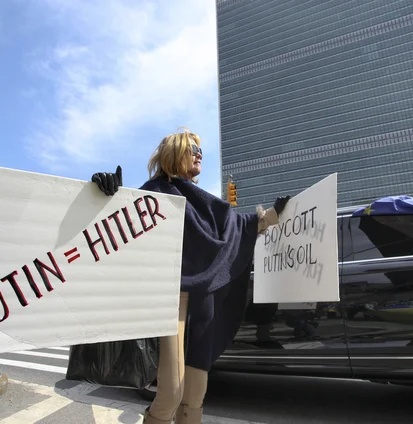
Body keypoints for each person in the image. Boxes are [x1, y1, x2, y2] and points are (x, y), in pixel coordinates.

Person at [91, 127, 290, 424]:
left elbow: (238, 226)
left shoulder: (204, 200)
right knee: (171, 391)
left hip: (204, 300)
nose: (199, 155)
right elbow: (121, 228)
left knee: (196, 393)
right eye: (192, 149)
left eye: (200, 151)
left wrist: (274, 214)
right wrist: (106, 195)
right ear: (174, 153)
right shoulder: (153, 193)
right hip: (169, 296)